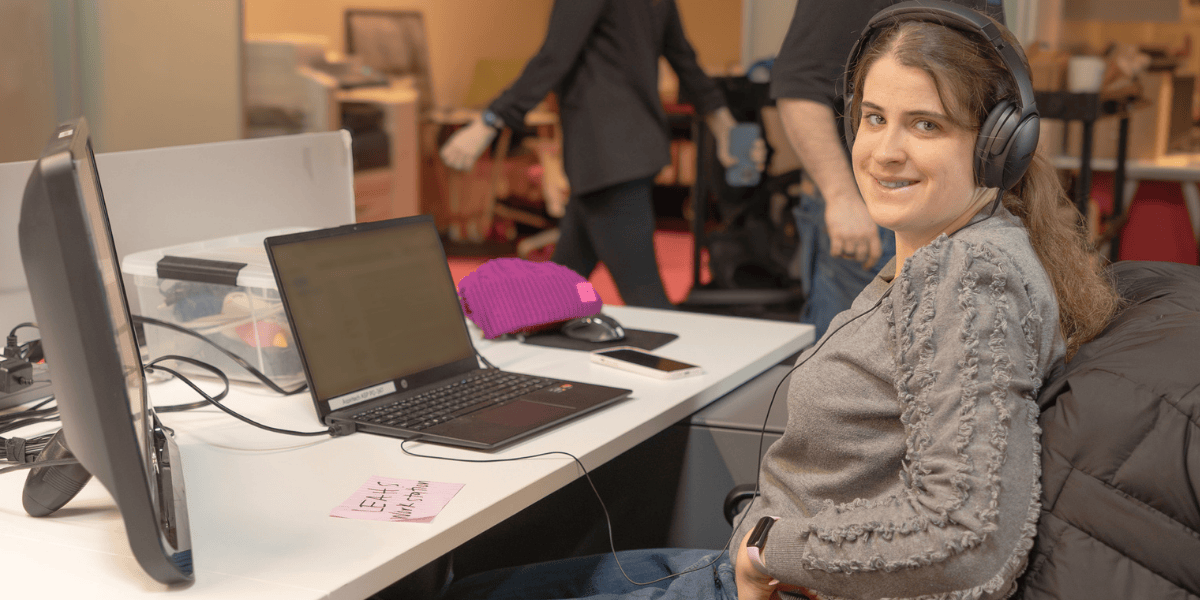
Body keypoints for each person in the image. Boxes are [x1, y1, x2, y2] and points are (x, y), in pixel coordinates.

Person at [438, 3, 1120, 599]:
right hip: (777, 567)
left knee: (462, 587)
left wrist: (767, 549)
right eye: (874, 117)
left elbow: (969, 537)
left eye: (925, 125)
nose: (883, 150)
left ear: (999, 145)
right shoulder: (968, 248)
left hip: (781, 581)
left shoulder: (965, 276)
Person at [440, 0, 745, 310]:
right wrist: (724, 125)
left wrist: (491, 120)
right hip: (625, 152)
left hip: (607, 157)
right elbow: (685, 60)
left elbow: (554, 57)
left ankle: (685, 358)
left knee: (647, 302)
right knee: (557, 291)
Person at [771, 0, 1003, 337]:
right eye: (875, 118)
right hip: (869, 213)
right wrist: (842, 196)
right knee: (849, 367)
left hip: (960, 208)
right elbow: (799, 87)